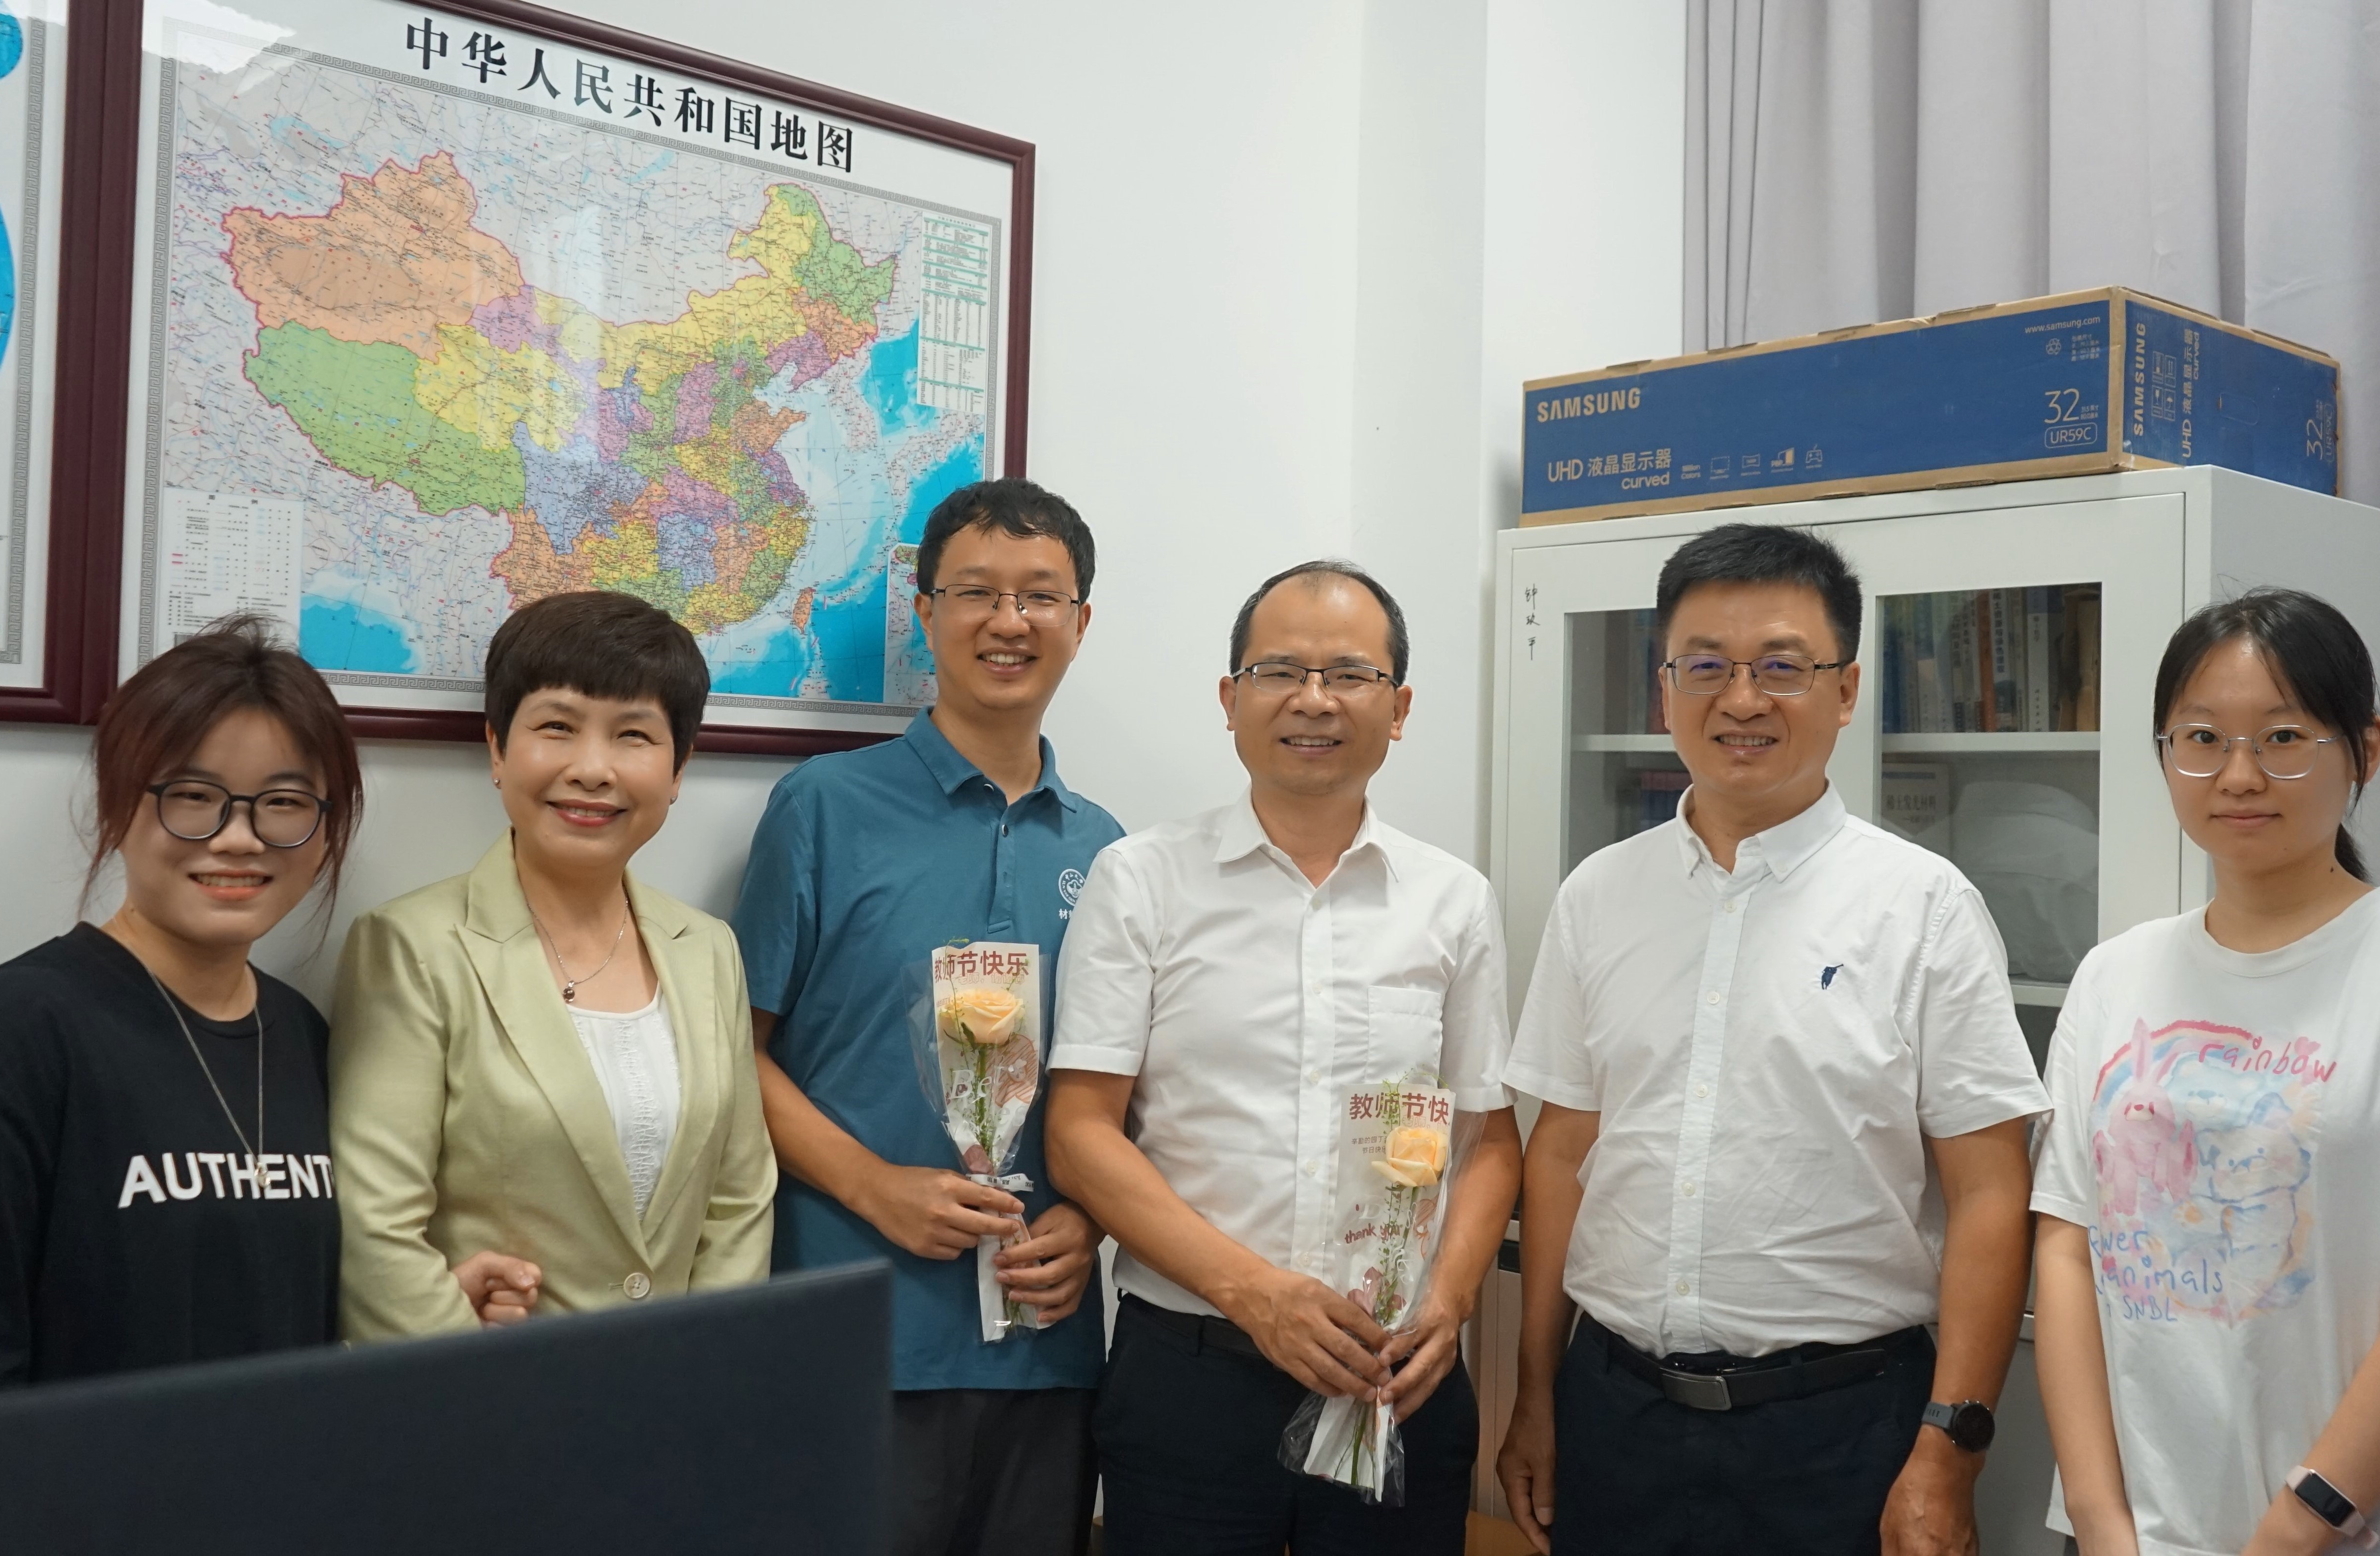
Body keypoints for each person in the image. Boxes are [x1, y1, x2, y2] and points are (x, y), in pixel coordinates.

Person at [1495, 522, 2047, 1556]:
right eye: (1705, 666)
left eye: (1781, 667)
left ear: (1844, 692)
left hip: (1842, 1432)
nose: (1741, 699)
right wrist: (1533, 1393)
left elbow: (1988, 1191)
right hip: (1615, 1414)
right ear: (1663, 690)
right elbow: (1562, 1153)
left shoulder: (1923, 907)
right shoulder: (1598, 896)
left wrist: (1950, 1450)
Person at [2031, 588, 2380, 1556]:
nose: (2239, 774)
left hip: (2369, 1532)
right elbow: (2068, 1248)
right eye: (2201, 739)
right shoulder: (2114, 975)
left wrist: (2292, 1530)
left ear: (2364, 749)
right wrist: (2100, 1521)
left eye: (2283, 737)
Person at [1046, 560, 1525, 1555]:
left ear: (1398, 709)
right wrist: (1252, 1293)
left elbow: (1487, 1141)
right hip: (1191, 1375)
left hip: (1395, 1374)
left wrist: (1449, 1299)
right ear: (1231, 700)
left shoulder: (1453, 901)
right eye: (1279, 672)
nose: (1314, 699)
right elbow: (1081, 1133)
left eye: (1349, 674)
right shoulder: (1139, 880)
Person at [0, 615, 362, 1402]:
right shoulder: (2, 1039)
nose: (239, 837)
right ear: (119, 806)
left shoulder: (306, 1038)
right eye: (193, 796)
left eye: (284, 802)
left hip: (279, 1480)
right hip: (65, 1486)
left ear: (325, 828)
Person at [736, 479, 1116, 1556]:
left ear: (1080, 622)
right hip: (858, 1331)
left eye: (1040, 596)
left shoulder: (1109, 851)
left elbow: (1119, 1096)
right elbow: (733, 1055)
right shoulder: (823, 806)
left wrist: (1092, 1224)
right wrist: (875, 1186)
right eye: (977, 592)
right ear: (923, 612)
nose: (1009, 621)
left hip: (1046, 1347)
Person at [332, 591, 775, 1340]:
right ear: (498, 749)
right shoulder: (412, 948)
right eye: (557, 727)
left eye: (634, 735)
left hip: (678, 1388)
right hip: (490, 1390)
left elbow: (739, 1201)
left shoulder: (707, 950)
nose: (593, 769)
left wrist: (701, 1374)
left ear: (678, 770)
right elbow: (374, 1227)